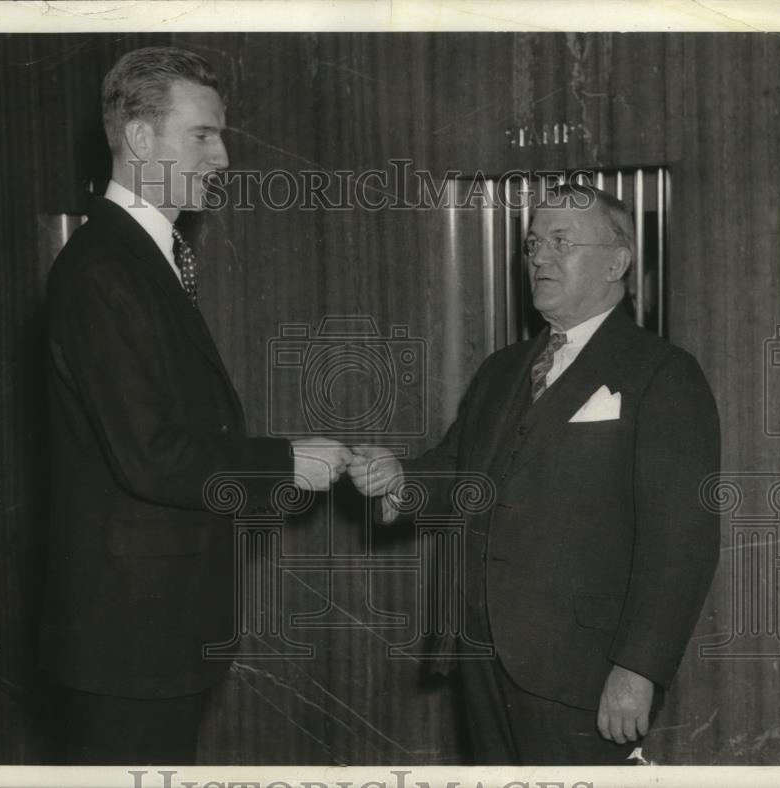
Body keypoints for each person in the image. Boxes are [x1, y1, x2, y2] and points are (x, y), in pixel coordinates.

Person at [41, 46, 350, 765]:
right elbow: (150, 455)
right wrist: (284, 463)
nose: (225, 157)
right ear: (143, 140)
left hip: (153, 622)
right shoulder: (102, 270)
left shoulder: (141, 258)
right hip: (131, 633)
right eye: (203, 135)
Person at [349, 184, 720, 765]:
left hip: (585, 673)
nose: (540, 257)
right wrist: (398, 478)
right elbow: (458, 472)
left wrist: (638, 669)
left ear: (617, 262)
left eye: (561, 242)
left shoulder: (662, 373)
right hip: (480, 658)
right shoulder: (503, 369)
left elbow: (682, 544)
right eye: (533, 244)